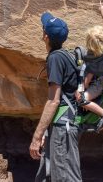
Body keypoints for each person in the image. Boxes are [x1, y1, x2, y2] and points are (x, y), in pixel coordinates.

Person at [30, 12, 81, 182]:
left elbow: (54, 100)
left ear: (45, 36)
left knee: (65, 178)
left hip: (62, 127)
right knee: (47, 175)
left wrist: (37, 137)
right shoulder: (67, 55)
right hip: (62, 125)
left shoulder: (56, 59)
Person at [76, 2, 103, 130]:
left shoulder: (92, 60)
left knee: (81, 99)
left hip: (97, 85)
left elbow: (86, 82)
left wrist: (79, 90)